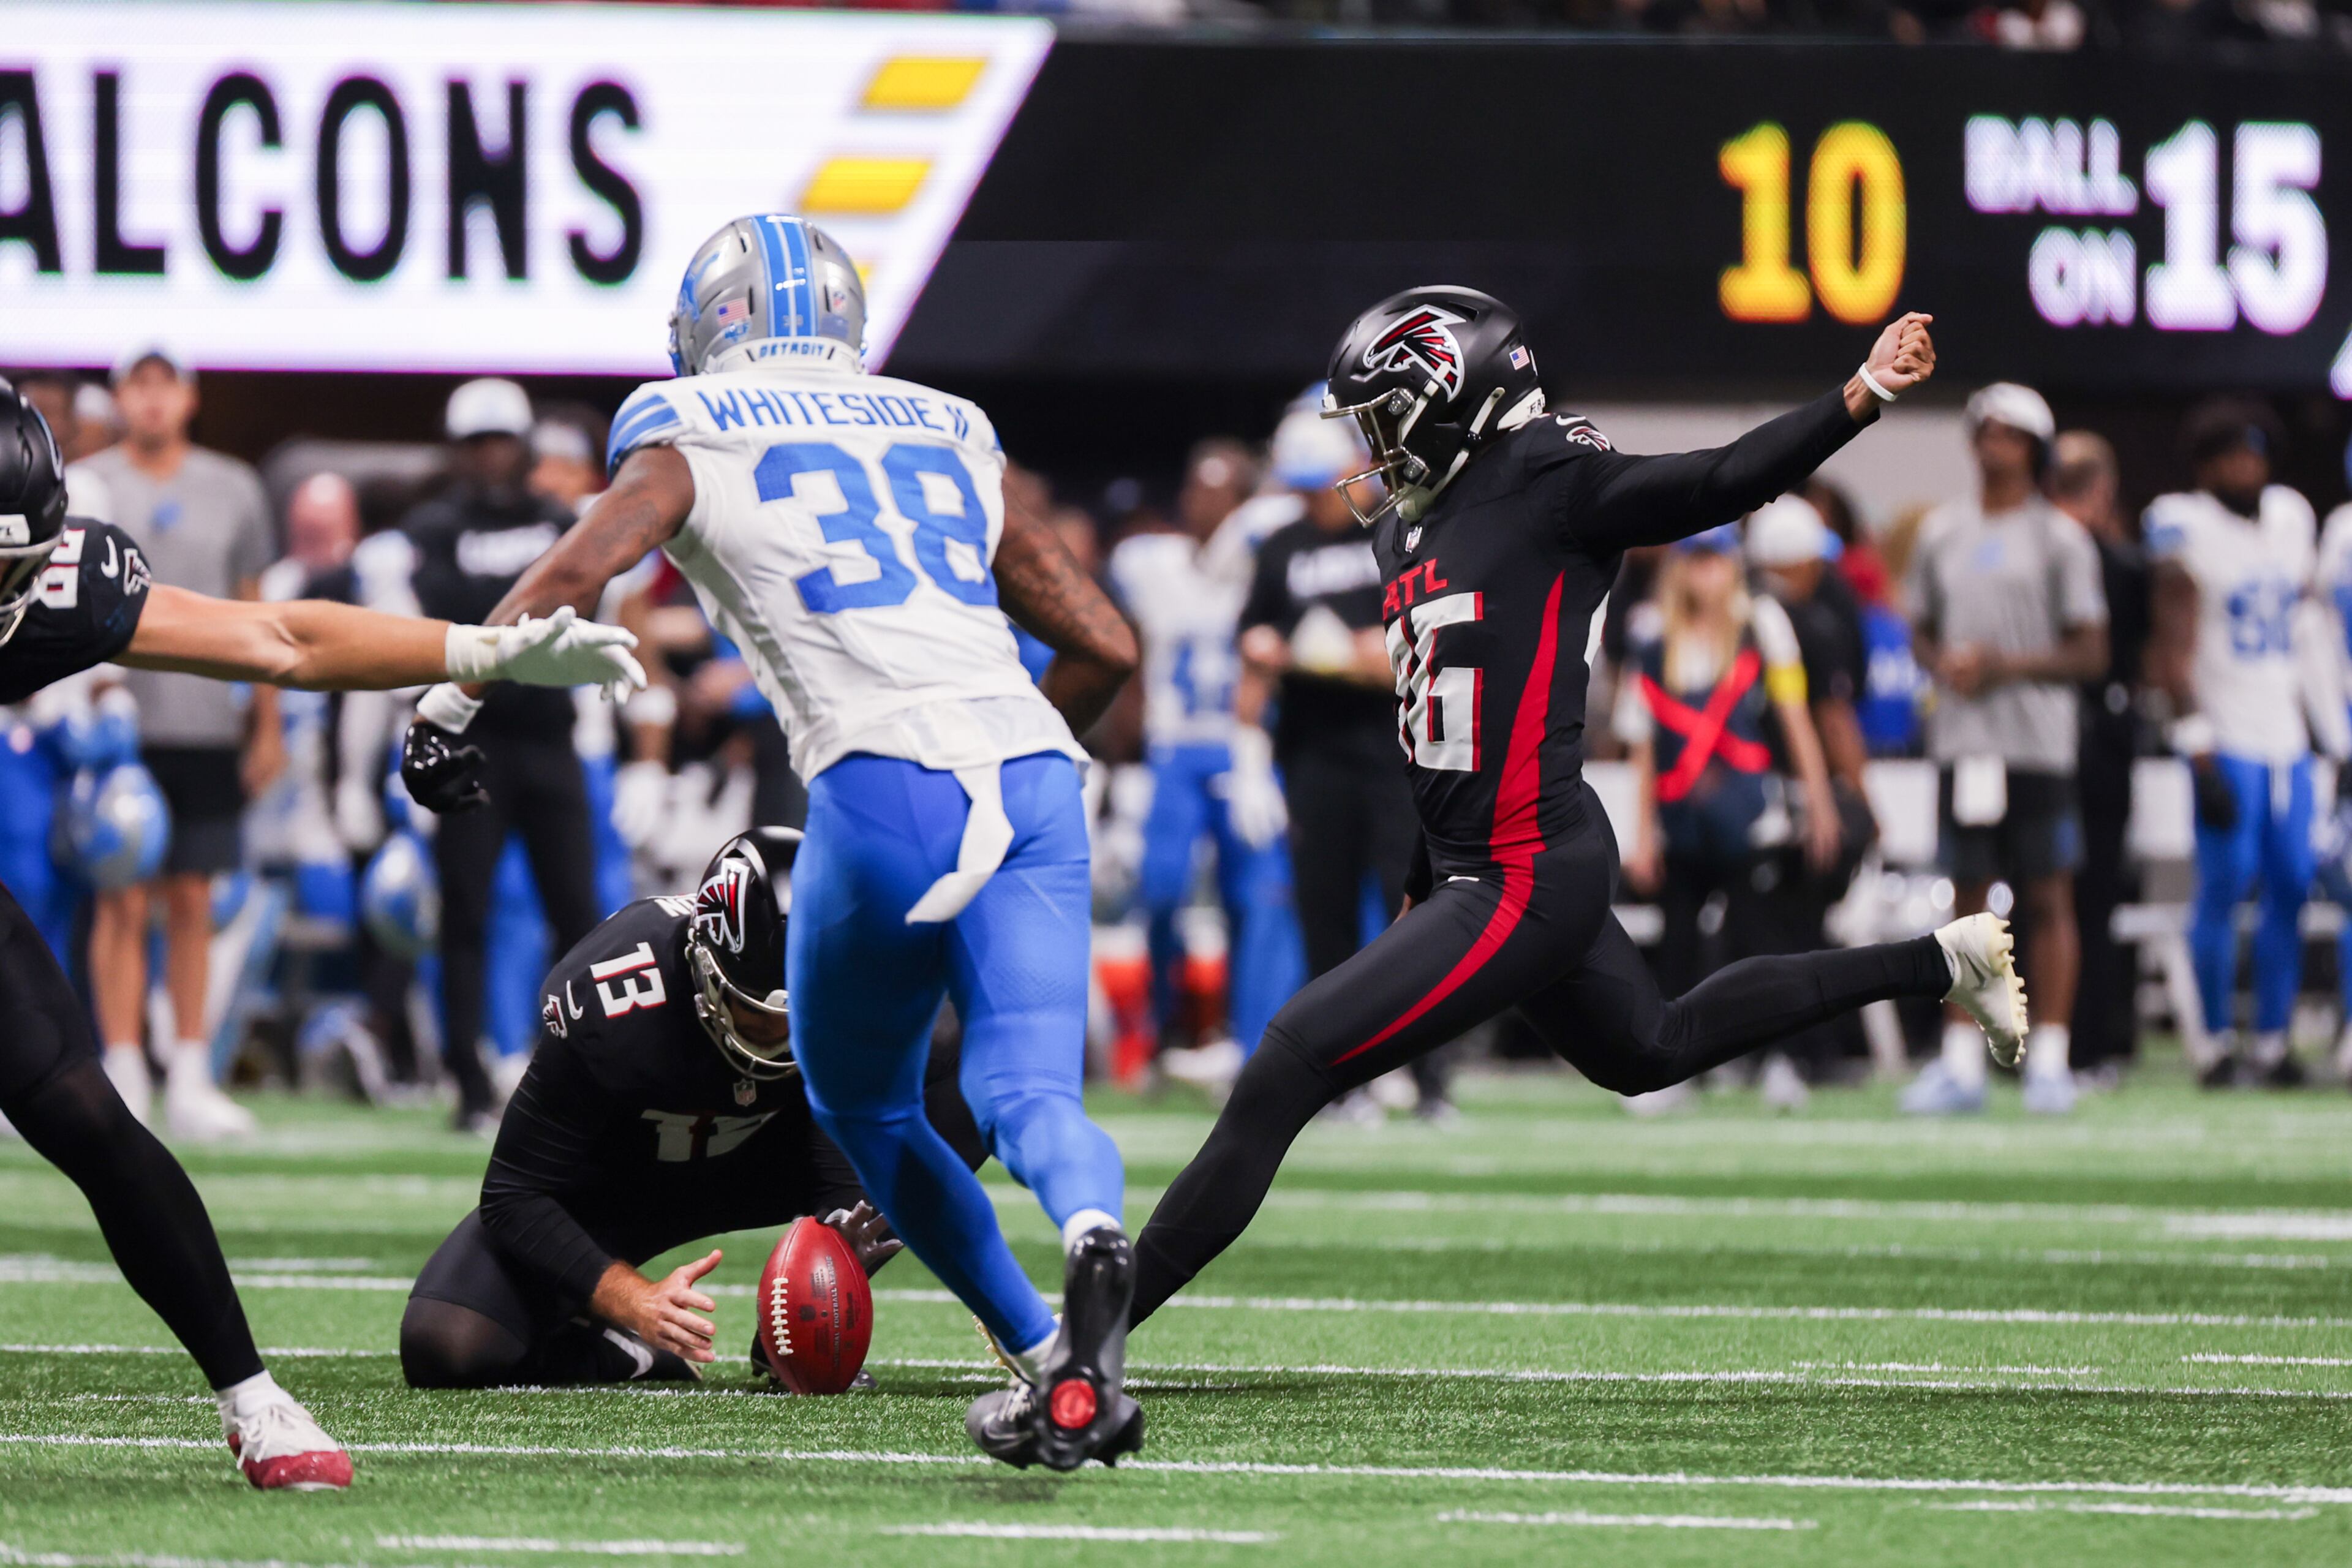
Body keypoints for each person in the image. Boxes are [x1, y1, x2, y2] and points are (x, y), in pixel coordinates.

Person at [398, 215, 1145, 1471]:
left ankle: (1034, 1334)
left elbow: (585, 562)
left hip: (879, 770)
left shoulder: (693, 426)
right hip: (1031, 770)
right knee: (1029, 1091)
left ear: (713, 325)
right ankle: (1087, 1238)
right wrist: (997, 772)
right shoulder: (949, 424)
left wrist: (450, 700)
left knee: (869, 1101)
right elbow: (1106, 645)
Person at [1128, 290, 2025, 1327]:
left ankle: (1086, 1331)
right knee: (1651, 1048)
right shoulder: (1413, 531)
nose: (1371, 446)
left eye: (1384, 416)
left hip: (1520, 866)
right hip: (1491, 854)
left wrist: (1859, 395)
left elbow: (1722, 478)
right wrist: (1425, 875)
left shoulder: (1549, 480)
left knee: (1288, 1062)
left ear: (1448, 401)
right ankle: (1948, 960)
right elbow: (1443, 731)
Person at [0, 381, 644, 1491]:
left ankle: (252, 1399)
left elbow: (280, 637)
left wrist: (478, 654)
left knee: (83, 1111)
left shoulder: (55, 579)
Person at [401, 828, 985, 1388]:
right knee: (447, 1343)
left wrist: (836, 1255)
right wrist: (632, 1298)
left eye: (801, 1014)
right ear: (706, 967)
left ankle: (792, 1343)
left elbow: (843, 1112)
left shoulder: (859, 973)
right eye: (759, 1014)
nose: (782, 1037)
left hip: (769, 1160)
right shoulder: (611, 996)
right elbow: (514, 1194)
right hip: (621, 1183)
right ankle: (621, 1353)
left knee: (972, 1062)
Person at [380, 379, 604, 1132]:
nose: (490, 457)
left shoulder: (557, 519)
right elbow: (457, 614)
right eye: (477, 444)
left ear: (523, 444)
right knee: (466, 911)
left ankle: (587, 1073)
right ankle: (470, 1080)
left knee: (576, 913)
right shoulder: (435, 525)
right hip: (474, 736)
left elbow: (578, 607)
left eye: (500, 441)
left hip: (549, 735)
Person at [70, 349, 281, 1138]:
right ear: (122, 396)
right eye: (139, 384)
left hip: (201, 718)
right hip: (118, 718)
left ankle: (190, 1069)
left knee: (193, 897)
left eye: (166, 385)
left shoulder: (232, 485)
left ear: (188, 397)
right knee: (119, 895)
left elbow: (258, 611)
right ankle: (123, 1064)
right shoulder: (89, 481)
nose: (152, 400)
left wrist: (266, 722)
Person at [1237, 408, 1456, 1121]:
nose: (1308, 500)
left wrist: (1351, 657)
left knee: (1413, 918)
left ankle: (1429, 1079)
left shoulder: (1395, 537)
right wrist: (1248, 750)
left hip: (1395, 756)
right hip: (1312, 756)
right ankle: (1340, 1083)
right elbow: (1252, 644)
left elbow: (1416, 652)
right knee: (1323, 919)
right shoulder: (1279, 548)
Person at [1900, 383, 2106, 1117]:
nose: (1994, 442)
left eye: (2010, 432)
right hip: (1966, 742)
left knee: (2049, 895)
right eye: (1985, 428)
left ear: (2035, 447)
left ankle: (2049, 1053)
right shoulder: (1941, 532)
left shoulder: (2061, 537)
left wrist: (2001, 666)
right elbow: (1918, 626)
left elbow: (2090, 650)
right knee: (1965, 904)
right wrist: (1943, 662)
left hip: (2037, 744)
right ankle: (1963, 1060)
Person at [2148, 400, 2342, 1088]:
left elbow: (2307, 631)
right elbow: (2169, 644)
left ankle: (2272, 1040)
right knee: (2224, 886)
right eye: (2232, 456)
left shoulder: (2290, 517)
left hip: (2286, 736)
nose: (2246, 467)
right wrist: (2194, 742)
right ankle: (2213, 1045)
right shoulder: (2183, 525)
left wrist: (2333, 736)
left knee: (2292, 883)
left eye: (2254, 455)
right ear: (2206, 467)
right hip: (2224, 731)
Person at [1615, 519, 1841, 1111]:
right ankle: (1670, 1067)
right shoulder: (1652, 634)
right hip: (1682, 817)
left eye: (1716, 560)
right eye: (1696, 560)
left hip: (1751, 815)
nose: (1706, 573)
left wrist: (1819, 805)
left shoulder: (1763, 626)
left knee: (1762, 944)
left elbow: (1796, 720)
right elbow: (1640, 742)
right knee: (1678, 948)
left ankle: (1779, 1060)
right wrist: (1642, 834)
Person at [1106, 439, 1294, 1084]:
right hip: (1175, 752)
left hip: (1245, 751)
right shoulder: (1150, 561)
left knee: (1260, 899)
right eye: (1194, 487)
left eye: (1216, 491)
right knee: (1159, 890)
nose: (1198, 501)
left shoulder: (1262, 555)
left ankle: (1253, 1047)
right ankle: (1161, 1034)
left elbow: (1284, 512)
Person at [2049, 431, 2150, 1076]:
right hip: (2089, 736)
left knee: (2052, 897)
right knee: (2078, 897)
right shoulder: (2120, 562)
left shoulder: (2096, 561)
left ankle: (2049, 1040)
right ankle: (2087, 1041)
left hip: (2055, 737)